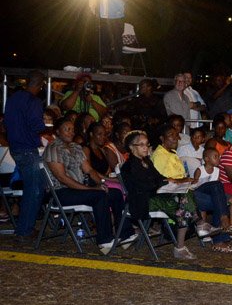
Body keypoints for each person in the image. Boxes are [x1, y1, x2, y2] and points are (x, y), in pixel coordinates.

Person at [43, 118, 137, 254]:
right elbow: (62, 178)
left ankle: (125, 235)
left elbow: (89, 170)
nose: (71, 132)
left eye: (72, 130)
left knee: (115, 193)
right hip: (61, 192)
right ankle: (104, 240)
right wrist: (91, 189)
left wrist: (100, 183)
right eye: (67, 129)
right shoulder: (53, 148)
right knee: (98, 195)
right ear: (57, 131)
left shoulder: (75, 147)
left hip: (79, 189)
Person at [120, 130, 201, 260]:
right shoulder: (130, 166)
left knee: (186, 193)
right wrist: (164, 185)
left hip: (155, 196)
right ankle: (192, 230)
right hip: (143, 202)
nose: (146, 147)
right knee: (183, 204)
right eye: (141, 145)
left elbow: (158, 178)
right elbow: (143, 186)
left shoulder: (146, 161)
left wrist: (171, 182)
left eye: (147, 144)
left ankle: (183, 242)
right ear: (131, 147)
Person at [3, 70, 47, 241]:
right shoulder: (33, 101)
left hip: (15, 147)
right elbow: (37, 125)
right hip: (28, 149)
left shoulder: (13, 99)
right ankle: (25, 230)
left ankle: (24, 227)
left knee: (32, 187)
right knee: (34, 190)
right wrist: (43, 124)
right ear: (41, 85)